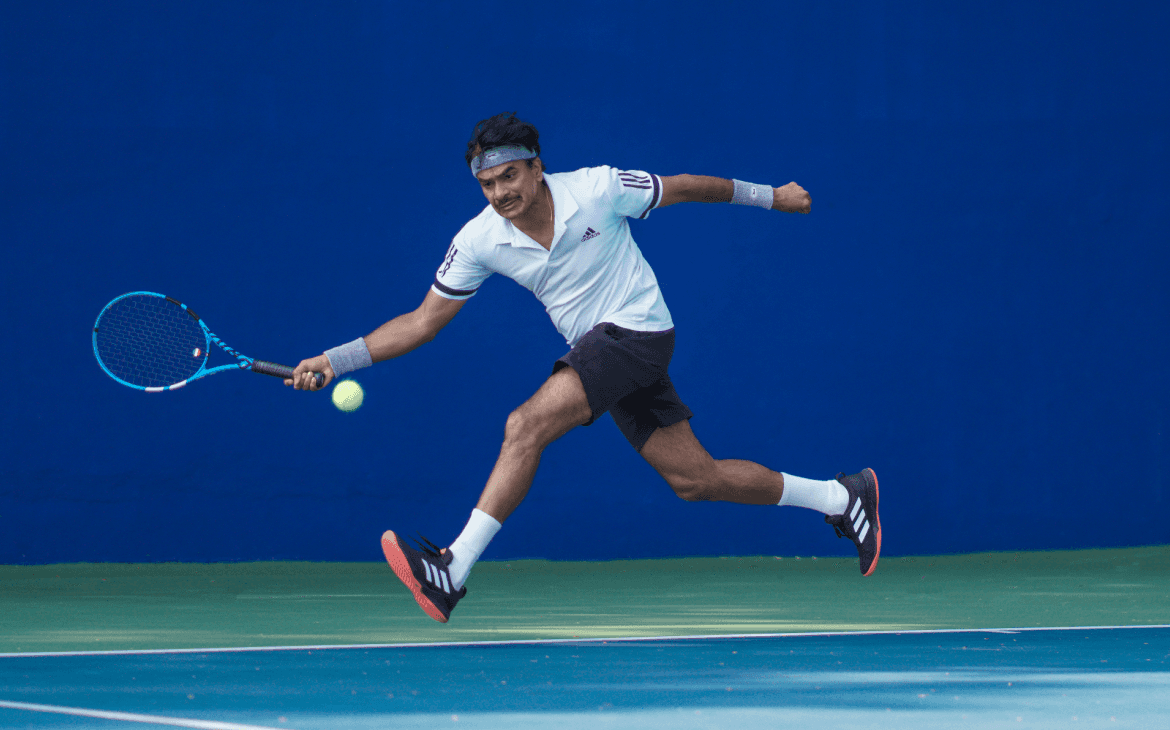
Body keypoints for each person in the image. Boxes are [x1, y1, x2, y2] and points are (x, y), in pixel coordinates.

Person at [287, 112, 880, 623]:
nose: (499, 193)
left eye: (509, 176)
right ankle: (841, 497)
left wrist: (771, 195)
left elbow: (685, 188)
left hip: (639, 329)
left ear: (537, 167)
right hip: (602, 352)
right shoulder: (478, 240)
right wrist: (335, 361)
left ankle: (452, 569)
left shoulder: (598, 188)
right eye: (486, 183)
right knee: (694, 479)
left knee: (526, 425)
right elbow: (421, 322)